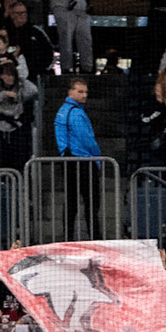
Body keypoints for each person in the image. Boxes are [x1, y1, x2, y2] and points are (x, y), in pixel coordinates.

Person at [54, 79, 103, 240]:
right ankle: (95, 238)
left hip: (68, 160)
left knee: (71, 201)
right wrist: (97, 158)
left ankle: (68, 237)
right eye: (80, 91)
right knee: (91, 203)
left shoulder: (62, 111)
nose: (84, 95)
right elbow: (87, 139)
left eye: (86, 92)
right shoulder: (76, 113)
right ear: (70, 92)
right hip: (83, 161)